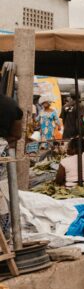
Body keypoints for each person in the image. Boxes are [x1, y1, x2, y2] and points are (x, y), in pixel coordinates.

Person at [0, 94, 24, 238]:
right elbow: (16, 134)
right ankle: (4, 234)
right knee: (3, 192)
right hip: (2, 149)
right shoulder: (11, 105)